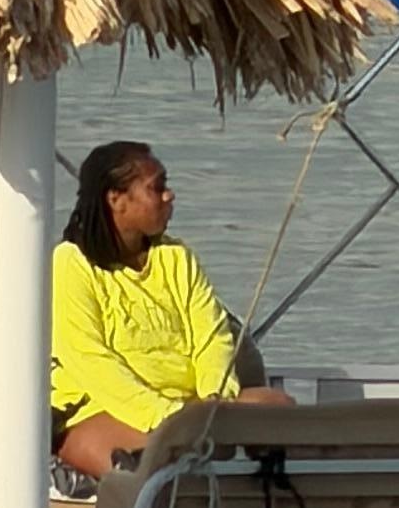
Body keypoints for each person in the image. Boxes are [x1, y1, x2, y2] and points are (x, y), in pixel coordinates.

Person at [48, 140, 277, 480]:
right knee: (162, 460)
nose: (169, 196)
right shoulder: (71, 263)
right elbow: (90, 361)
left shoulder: (177, 257)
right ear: (117, 199)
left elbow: (211, 338)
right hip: (104, 407)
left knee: (280, 411)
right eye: (157, 188)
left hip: (195, 406)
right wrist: (168, 417)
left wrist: (215, 401)